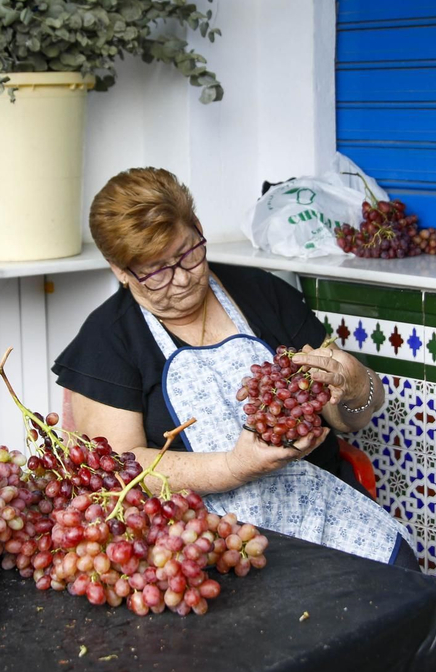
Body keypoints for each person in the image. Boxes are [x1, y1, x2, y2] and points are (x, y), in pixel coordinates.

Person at [54, 167, 414, 567]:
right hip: (206, 541)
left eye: (188, 254)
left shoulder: (260, 292)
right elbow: (121, 471)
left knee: (402, 587)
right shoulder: (108, 340)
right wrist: (233, 468)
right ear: (121, 271)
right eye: (156, 272)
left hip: (322, 516)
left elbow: (346, 416)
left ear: (198, 227)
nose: (181, 280)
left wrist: (358, 385)